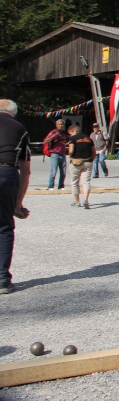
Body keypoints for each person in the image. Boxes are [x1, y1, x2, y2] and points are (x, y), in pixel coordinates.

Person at [0, 99, 31, 295]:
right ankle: (2, 278)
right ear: (13, 112)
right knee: (4, 227)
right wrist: (18, 203)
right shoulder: (19, 128)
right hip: (6, 173)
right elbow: (26, 170)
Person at [67, 124, 96, 209]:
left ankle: (77, 202)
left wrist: (70, 155)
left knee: (75, 182)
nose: (70, 135)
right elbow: (94, 152)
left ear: (73, 130)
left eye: (70, 133)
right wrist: (91, 160)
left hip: (76, 162)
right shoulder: (89, 139)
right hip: (88, 162)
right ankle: (86, 201)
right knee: (86, 182)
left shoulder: (72, 139)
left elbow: (71, 151)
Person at [43, 118, 68, 190]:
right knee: (53, 171)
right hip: (55, 154)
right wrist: (53, 137)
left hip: (62, 153)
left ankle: (61, 186)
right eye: (59, 124)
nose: (61, 126)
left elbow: (66, 142)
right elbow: (45, 141)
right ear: (56, 125)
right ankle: (50, 186)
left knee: (63, 171)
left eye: (62, 124)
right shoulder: (53, 132)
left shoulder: (64, 134)